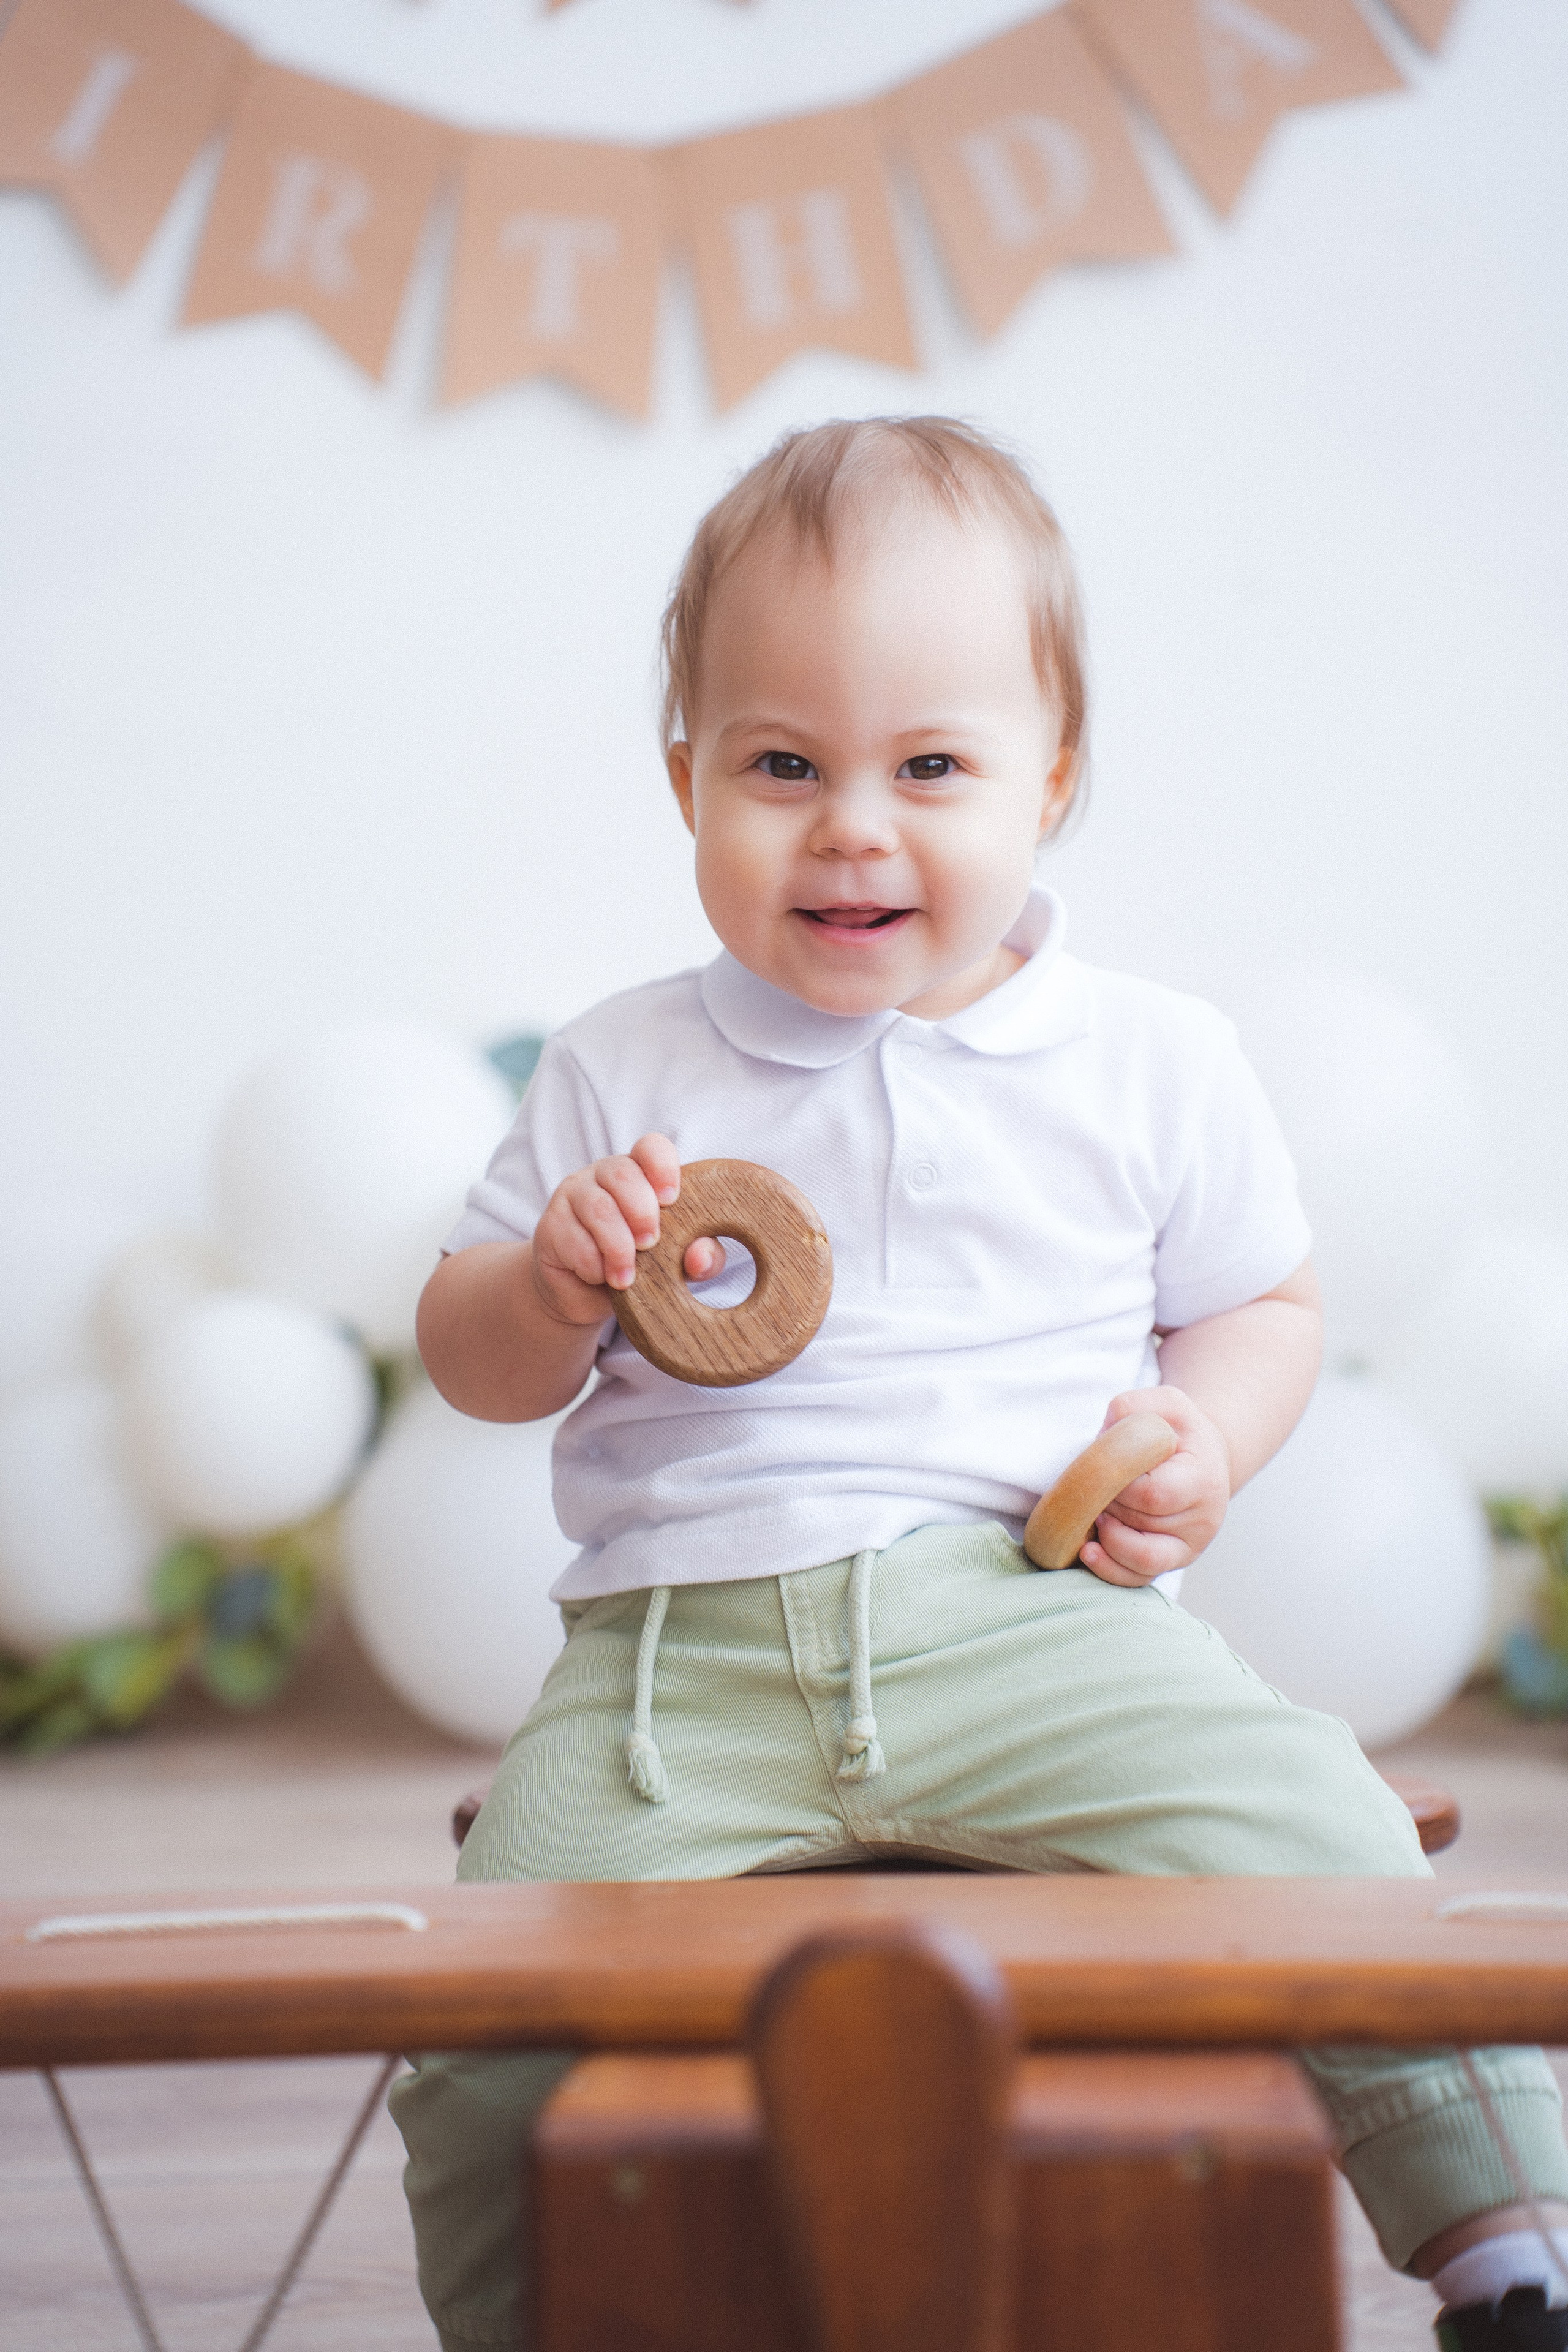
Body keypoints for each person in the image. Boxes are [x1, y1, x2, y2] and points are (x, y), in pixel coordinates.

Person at [394, 417, 1568, 2352]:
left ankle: (1502, 2245)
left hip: (1041, 1617)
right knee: (479, 2014)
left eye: (930, 766)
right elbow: (472, 1362)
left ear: (1056, 780)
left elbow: (1262, 1302)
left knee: (1318, 1834)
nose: (853, 824)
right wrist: (548, 1280)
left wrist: (1210, 1432)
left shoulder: (1149, 1059)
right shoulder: (624, 1069)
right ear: (685, 778)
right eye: (782, 765)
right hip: (679, 1673)